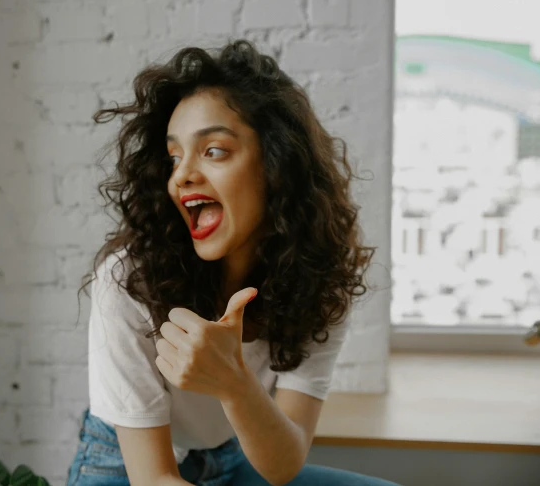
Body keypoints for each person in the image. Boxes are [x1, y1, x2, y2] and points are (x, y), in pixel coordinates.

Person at [66, 40, 398, 486]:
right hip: (121, 467)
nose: (181, 175)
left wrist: (234, 383)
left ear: (277, 165)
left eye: (214, 150)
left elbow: (282, 465)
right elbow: (155, 479)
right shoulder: (127, 280)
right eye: (173, 157)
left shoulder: (319, 280)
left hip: (230, 457)